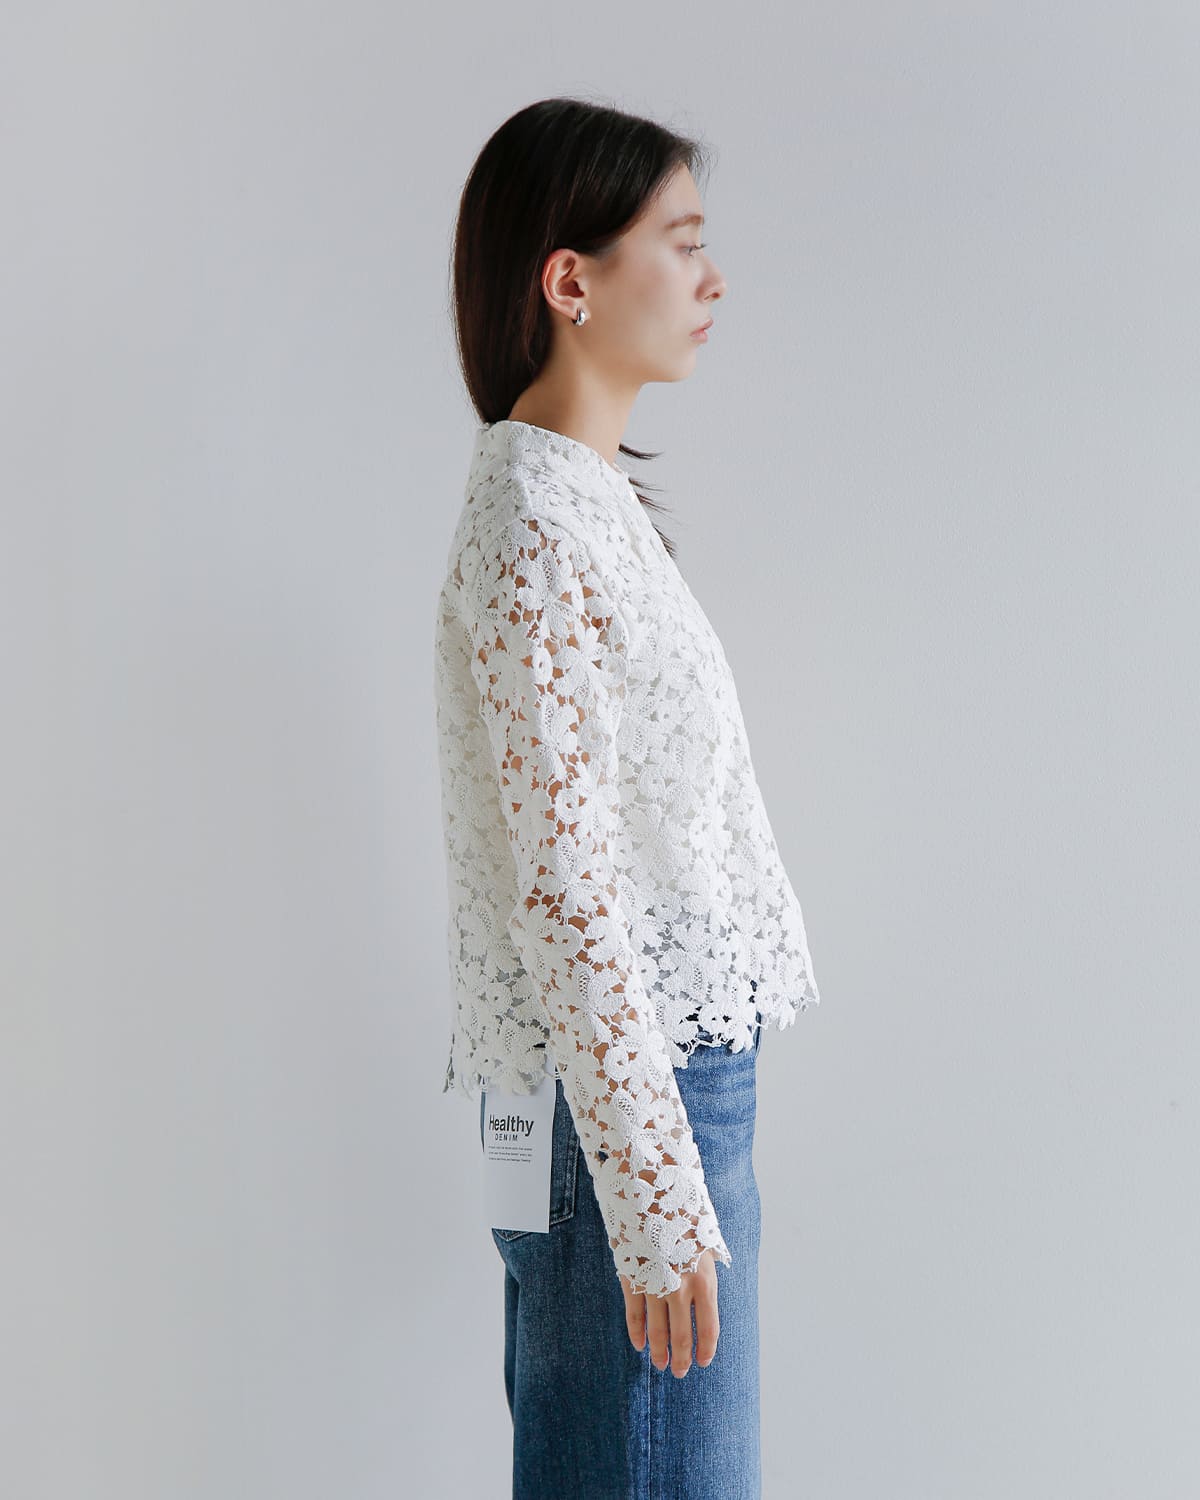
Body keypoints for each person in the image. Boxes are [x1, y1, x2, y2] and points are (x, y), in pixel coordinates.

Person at [433, 96, 821, 1500]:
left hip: (647, 1105)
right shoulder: (537, 525)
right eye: (684, 241)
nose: (713, 279)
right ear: (571, 281)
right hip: (633, 1124)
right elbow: (564, 886)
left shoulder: (579, 506)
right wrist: (655, 1193)